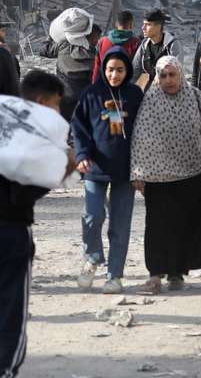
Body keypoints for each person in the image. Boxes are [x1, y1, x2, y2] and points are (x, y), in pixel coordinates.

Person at [0, 71, 70, 378]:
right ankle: (4, 372)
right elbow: (23, 193)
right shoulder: (31, 135)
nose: (58, 113)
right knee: (12, 309)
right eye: (56, 104)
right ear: (40, 100)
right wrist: (61, 173)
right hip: (10, 230)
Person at [130, 56, 201, 294]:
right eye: (163, 76)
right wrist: (137, 172)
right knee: (157, 226)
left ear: (181, 74)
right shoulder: (150, 99)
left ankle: (177, 273)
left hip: (192, 171)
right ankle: (155, 275)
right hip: (158, 175)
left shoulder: (195, 96)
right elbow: (139, 138)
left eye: (172, 75)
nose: (168, 80)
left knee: (185, 225)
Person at [72, 47, 144, 294]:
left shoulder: (135, 95)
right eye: (110, 69)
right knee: (92, 216)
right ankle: (92, 257)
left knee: (120, 225)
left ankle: (114, 275)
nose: (114, 75)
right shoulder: (91, 94)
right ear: (103, 69)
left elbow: (144, 132)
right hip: (95, 167)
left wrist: (141, 169)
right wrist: (81, 155)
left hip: (126, 170)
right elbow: (79, 127)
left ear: (127, 70)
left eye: (120, 70)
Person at [42, 8, 96, 120]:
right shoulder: (90, 47)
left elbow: (44, 50)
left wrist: (50, 37)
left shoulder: (63, 44)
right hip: (87, 97)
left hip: (65, 96)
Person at [133, 9, 178, 90]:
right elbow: (134, 71)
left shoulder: (172, 45)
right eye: (144, 24)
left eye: (148, 25)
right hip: (150, 90)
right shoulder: (144, 45)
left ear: (158, 27)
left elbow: (176, 73)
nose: (143, 28)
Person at [94, 11, 141, 82]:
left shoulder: (102, 41)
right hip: (124, 85)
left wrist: (94, 84)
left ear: (116, 24)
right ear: (131, 24)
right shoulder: (136, 43)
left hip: (104, 83)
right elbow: (136, 69)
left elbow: (97, 67)